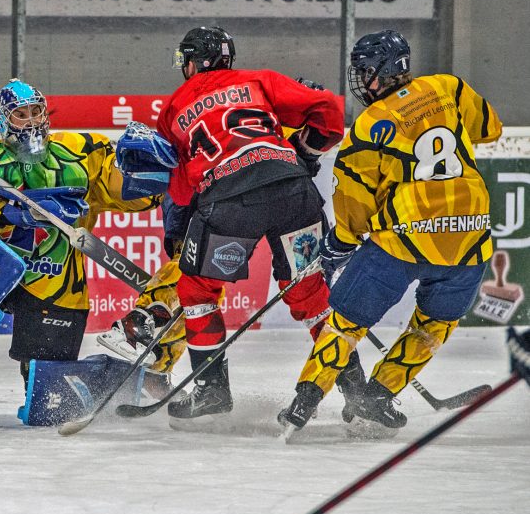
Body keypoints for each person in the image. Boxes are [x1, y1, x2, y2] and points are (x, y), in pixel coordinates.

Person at [279, 29, 503, 433]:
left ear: (382, 72)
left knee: (346, 322)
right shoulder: (448, 87)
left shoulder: (371, 124)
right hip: (470, 239)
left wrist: (341, 242)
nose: (362, 81)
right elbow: (490, 128)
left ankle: (306, 400)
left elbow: (354, 198)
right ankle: (378, 395)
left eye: (365, 72)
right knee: (433, 324)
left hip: (404, 238)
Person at [149, 26, 347, 428]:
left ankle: (212, 390)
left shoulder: (172, 108)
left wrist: (179, 229)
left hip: (230, 200)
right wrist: (302, 153)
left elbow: (180, 185)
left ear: (193, 61)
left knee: (197, 289)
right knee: (311, 291)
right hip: (293, 192)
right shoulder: (258, 80)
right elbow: (329, 111)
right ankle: (357, 389)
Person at [0, 79, 166, 409]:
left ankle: (131, 380)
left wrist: (142, 174)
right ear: (3, 120)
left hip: (55, 279)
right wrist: (17, 214)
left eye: (37, 111)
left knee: (47, 396)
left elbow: (123, 191)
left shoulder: (82, 151)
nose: (32, 120)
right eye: (22, 114)